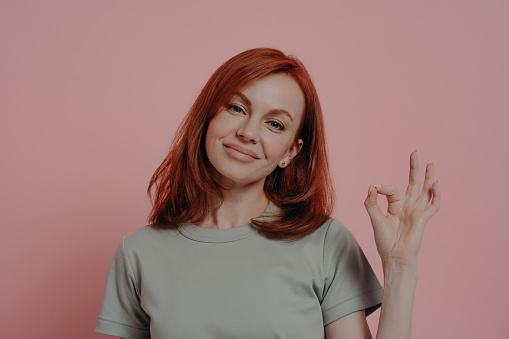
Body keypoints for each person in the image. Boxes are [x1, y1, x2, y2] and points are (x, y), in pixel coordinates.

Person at [95, 48, 441, 339]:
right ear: (208, 117)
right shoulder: (138, 252)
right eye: (236, 108)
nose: (247, 131)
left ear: (291, 151)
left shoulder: (325, 242)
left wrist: (400, 266)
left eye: (275, 124)